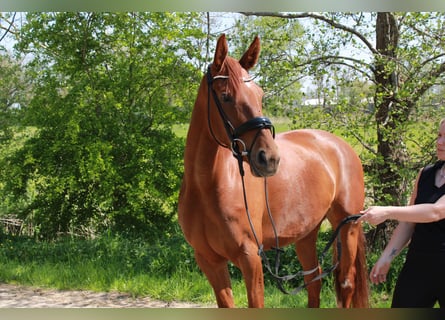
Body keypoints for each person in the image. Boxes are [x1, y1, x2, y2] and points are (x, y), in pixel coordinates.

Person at [357, 118, 445, 308]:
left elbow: (436, 211)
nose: (439, 142)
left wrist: (387, 211)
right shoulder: (426, 173)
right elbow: (408, 222)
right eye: (439, 135)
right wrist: (386, 257)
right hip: (418, 265)